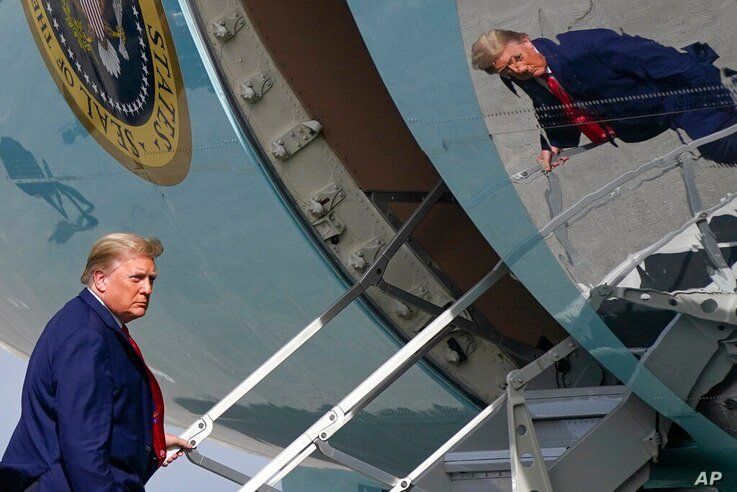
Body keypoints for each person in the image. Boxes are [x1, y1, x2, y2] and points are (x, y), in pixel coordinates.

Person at [0, 233, 192, 491]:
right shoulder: (88, 337)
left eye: (151, 279)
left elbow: (92, 418)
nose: (147, 289)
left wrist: (146, 443)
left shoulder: (86, 322)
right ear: (100, 279)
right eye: (136, 278)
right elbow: (82, 445)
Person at [471, 28, 737, 171]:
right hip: (641, 119)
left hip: (679, 94)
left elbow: (666, 62)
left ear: (526, 41)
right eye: (505, 70)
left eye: (516, 59)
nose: (517, 70)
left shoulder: (589, 47)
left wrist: (718, 94)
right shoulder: (524, 75)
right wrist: (554, 143)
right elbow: (548, 104)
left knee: (721, 146)